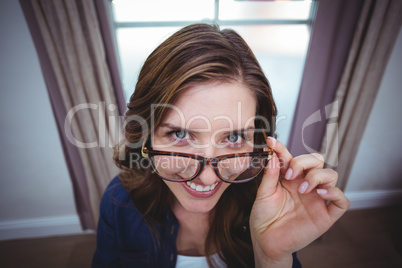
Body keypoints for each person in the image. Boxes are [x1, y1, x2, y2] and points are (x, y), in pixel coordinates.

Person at [92, 23, 350, 268]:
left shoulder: (272, 204)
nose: (206, 177)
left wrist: (272, 259)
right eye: (180, 133)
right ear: (146, 136)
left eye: (234, 138)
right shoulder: (119, 202)